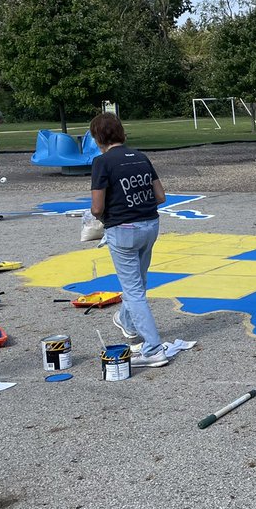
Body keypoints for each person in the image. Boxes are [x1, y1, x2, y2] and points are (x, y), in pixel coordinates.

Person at [89, 112, 171, 368]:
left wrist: (98, 217)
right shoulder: (141, 157)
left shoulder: (102, 162)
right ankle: (126, 320)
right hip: (150, 224)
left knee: (134, 289)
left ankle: (153, 348)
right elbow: (160, 196)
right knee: (138, 282)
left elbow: (96, 207)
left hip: (123, 229)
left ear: (98, 137)